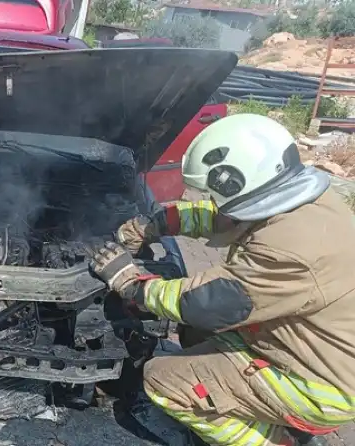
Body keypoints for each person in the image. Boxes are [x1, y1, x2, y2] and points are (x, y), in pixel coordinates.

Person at [89, 113, 355, 446]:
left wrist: (132, 283)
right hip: (313, 349)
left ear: (238, 181)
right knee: (193, 333)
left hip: (319, 387)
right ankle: (251, 404)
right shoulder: (303, 202)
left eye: (216, 194)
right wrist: (157, 223)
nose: (214, 202)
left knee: (161, 380)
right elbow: (224, 218)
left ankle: (277, 440)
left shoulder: (289, 252)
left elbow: (205, 303)